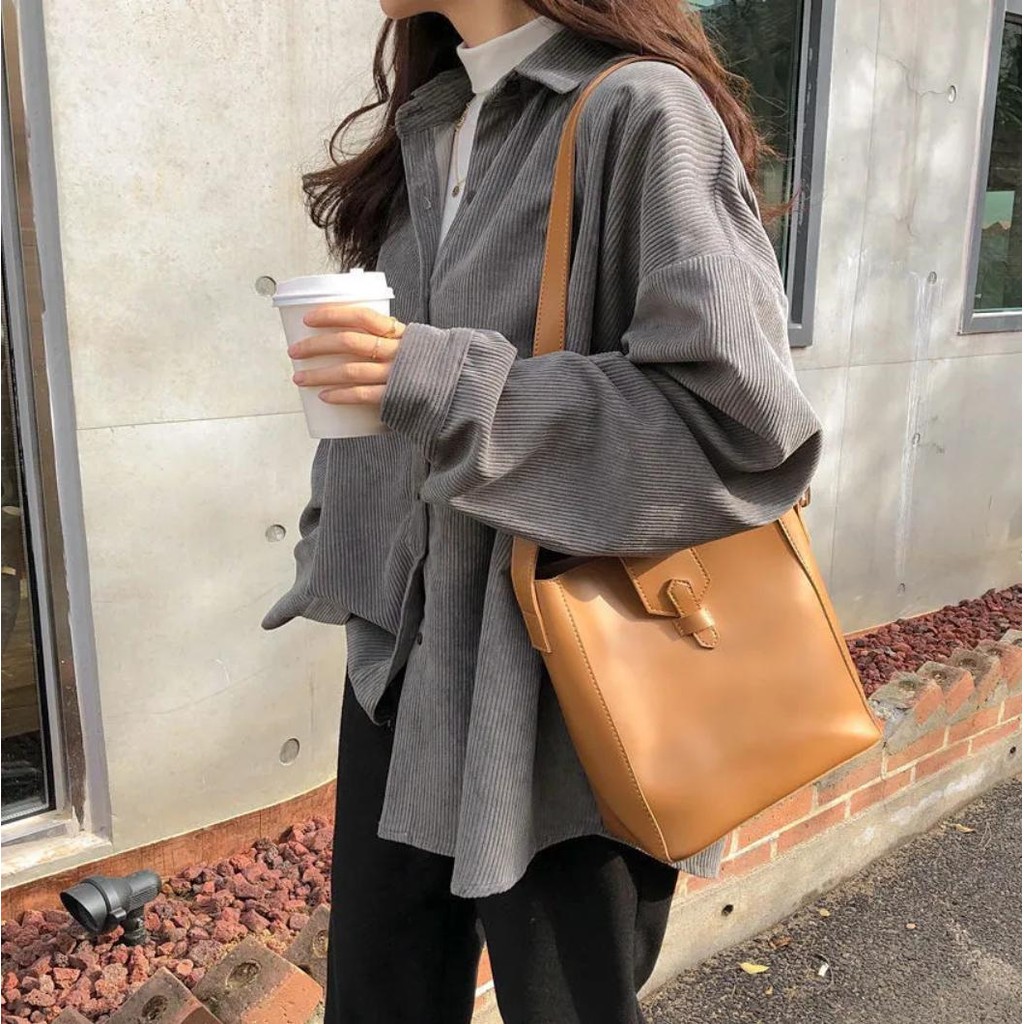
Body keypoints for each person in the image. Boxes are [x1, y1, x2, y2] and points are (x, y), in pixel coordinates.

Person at [262, 2, 824, 1021]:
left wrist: (443, 380)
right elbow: (395, 403)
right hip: (401, 666)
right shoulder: (433, 125)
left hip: (568, 687)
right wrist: (335, 543)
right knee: (377, 1003)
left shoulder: (640, 112)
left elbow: (736, 425)